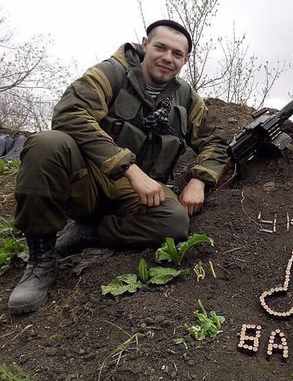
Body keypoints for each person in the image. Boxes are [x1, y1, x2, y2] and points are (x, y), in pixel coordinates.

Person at [8, 19, 229, 315]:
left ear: (185, 60)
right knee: (46, 144)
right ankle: (40, 261)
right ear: (145, 45)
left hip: (135, 196)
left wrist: (200, 179)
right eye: (161, 47)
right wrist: (130, 169)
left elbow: (215, 141)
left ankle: (89, 232)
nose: (167, 57)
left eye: (177, 53)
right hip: (89, 179)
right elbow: (69, 114)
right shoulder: (111, 72)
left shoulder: (186, 97)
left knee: (175, 222)